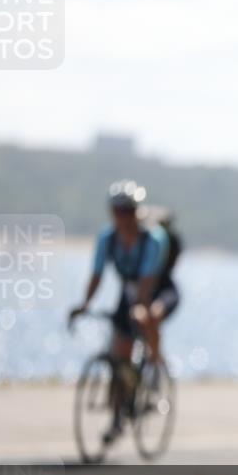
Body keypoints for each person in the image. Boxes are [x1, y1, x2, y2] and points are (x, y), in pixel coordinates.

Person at [68, 180, 180, 442]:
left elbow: (148, 281)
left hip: (158, 288)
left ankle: (154, 368)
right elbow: (96, 275)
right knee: (120, 355)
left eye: (128, 210)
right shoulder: (107, 239)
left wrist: (141, 308)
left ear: (137, 211)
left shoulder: (153, 239)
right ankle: (119, 416)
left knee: (150, 314)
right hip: (129, 292)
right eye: (118, 211)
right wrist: (84, 305)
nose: (123, 217)